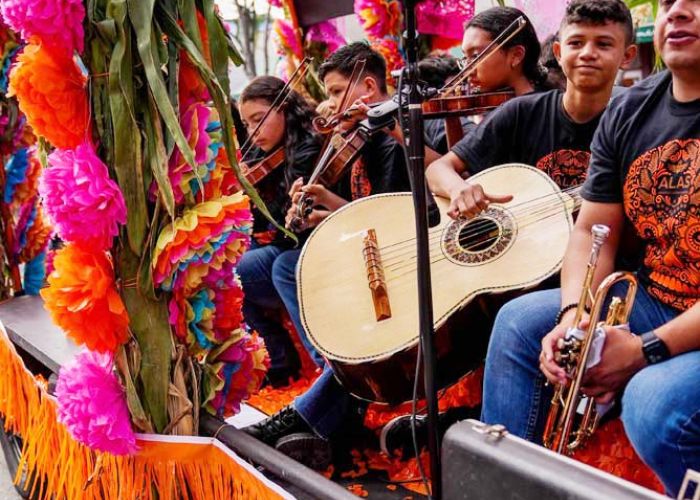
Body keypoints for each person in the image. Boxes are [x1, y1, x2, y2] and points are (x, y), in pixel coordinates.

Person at [481, 0, 700, 495]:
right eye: (669, 3)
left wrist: (646, 349)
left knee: (653, 401)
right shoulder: (631, 107)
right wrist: (573, 315)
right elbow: (590, 229)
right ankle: (506, 489)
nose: (679, 12)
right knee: (519, 322)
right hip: (656, 297)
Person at [244, 42, 413, 466]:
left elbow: (385, 217)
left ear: (369, 87)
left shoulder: (389, 142)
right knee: (278, 266)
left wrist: (326, 207)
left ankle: (328, 388)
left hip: (385, 256)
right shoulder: (352, 137)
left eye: (337, 92)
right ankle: (326, 396)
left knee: (289, 266)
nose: (330, 103)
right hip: (352, 246)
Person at [426, 0, 636, 219]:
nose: (587, 54)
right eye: (575, 43)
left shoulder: (632, 123)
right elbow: (437, 169)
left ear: (627, 56)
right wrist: (457, 189)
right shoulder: (520, 112)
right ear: (558, 52)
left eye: (603, 44)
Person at [236, 76, 324, 386]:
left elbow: (286, 228)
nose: (253, 132)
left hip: (307, 243)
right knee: (225, 265)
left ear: (284, 110)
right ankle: (278, 356)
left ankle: (294, 360)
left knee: (237, 272)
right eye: (247, 125)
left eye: (259, 120)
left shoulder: (308, 147)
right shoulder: (263, 156)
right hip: (289, 246)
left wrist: (254, 195)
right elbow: (260, 228)